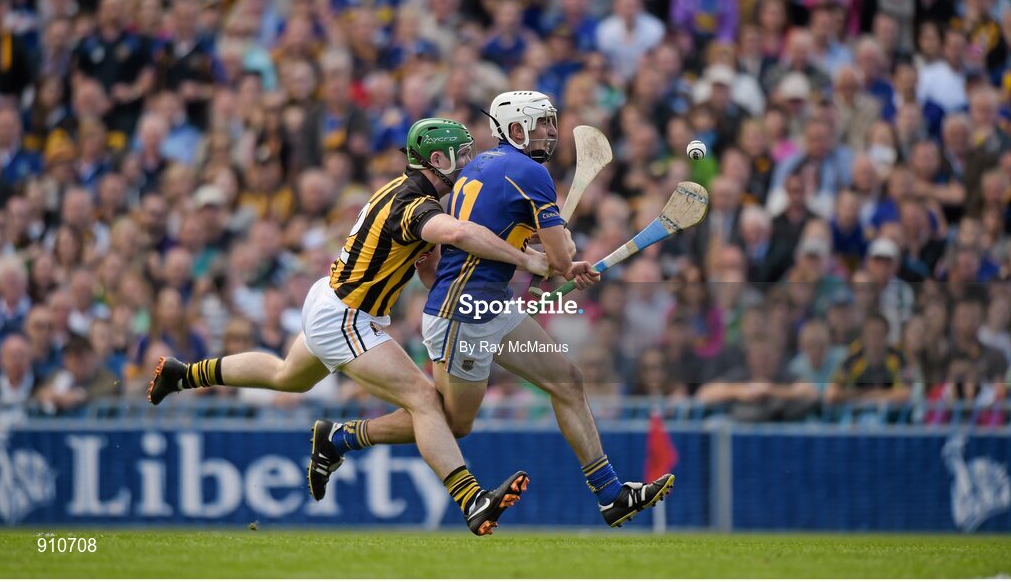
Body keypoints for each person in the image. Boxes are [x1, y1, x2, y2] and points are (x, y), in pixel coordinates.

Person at [146, 118, 549, 536]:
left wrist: (507, 266)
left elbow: (432, 271)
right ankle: (472, 500)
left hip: (331, 302)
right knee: (425, 401)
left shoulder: (410, 195)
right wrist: (526, 261)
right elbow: (461, 232)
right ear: (436, 160)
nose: (468, 162)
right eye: (461, 155)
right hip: (346, 316)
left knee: (288, 375)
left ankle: (183, 374)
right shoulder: (415, 204)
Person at [308, 92, 675, 529]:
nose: (550, 132)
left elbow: (506, 239)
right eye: (540, 124)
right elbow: (551, 258)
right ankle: (341, 437)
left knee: (567, 380)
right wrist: (564, 259)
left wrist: (554, 258)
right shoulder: (532, 173)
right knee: (449, 423)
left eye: (551, 123)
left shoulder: (480, 165)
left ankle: (611, 494)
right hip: (462, 313)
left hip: (489, 302)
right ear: (514, 129)